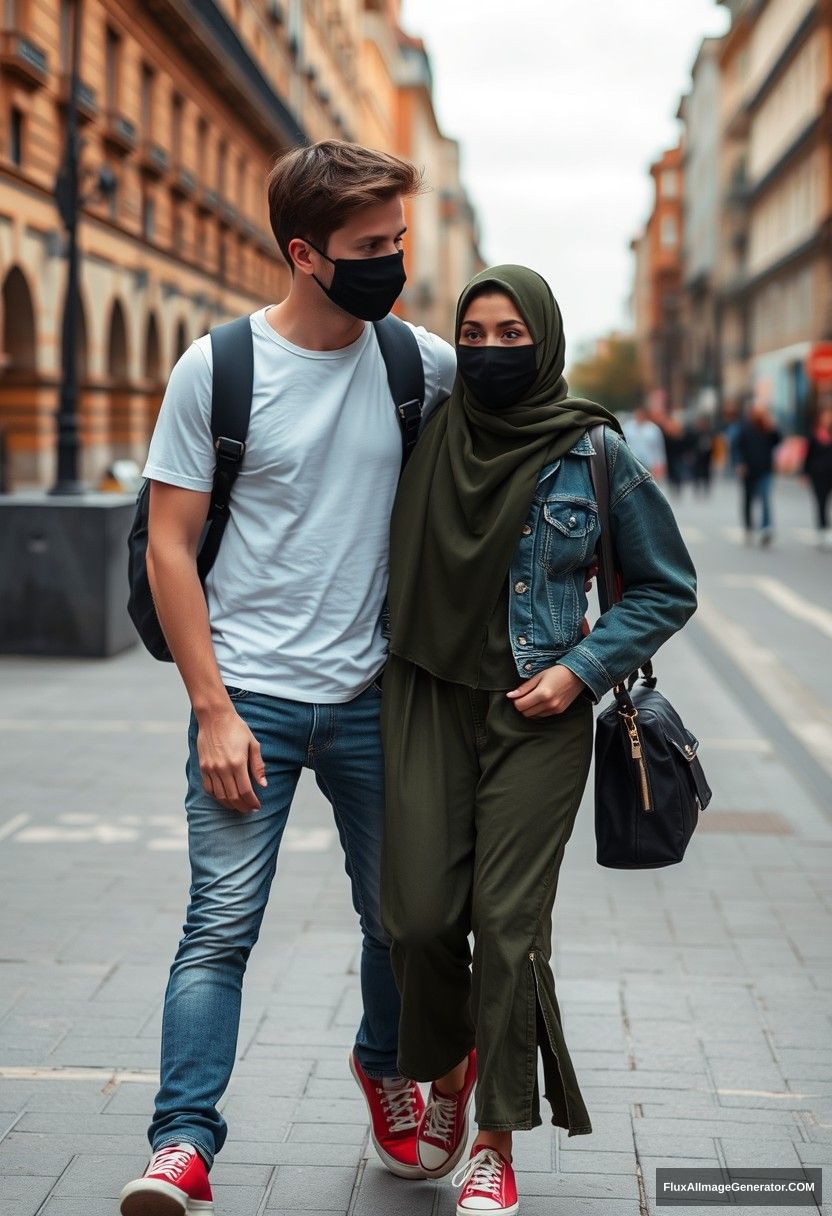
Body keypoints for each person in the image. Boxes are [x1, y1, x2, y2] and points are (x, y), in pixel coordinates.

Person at [118, 141, 456, 1216]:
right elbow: (169, 545)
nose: (392, 262)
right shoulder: (217, 368)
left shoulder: (423, 366)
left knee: (398, 920)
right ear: (305, 254)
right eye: (370, 248)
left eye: (399, 240)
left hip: (373, 698)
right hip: (247, 697)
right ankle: (182, 1145)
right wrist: (210, 709)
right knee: (218, 926)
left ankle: (383, 1063)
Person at [379, 266, 698, 1216]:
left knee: (509, 927)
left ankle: (492, 1137)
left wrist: (581, 670)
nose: (486, 350)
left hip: (537, 712)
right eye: (471, 333)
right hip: (428, 698)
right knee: (420, 919)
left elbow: (666, 585)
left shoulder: (593, 448)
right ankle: (446, 1069)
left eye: (509, 333)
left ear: (545, 340)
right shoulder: (424, 435)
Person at [736, 403, 782, 546]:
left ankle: (766, 528)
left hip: (765, 470)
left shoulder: (767, 428)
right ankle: (749, 527)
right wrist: (739, 463)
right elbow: (737, 447)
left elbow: (778, 441)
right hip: (749, 471)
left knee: (765, 498)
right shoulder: (745, 428)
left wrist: (772, 427)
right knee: (748, 500)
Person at [803, 403, 832, 549]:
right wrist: (804, 473)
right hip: (818, 474)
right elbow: (808, 455)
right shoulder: (814, 435)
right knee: (821, 503)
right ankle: (822, 530)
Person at [622, 403, 666, 477]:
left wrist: (661, 464)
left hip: (650, 464)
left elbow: (659, 448)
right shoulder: (627, 428)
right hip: (633, 462)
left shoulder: (653, 429)